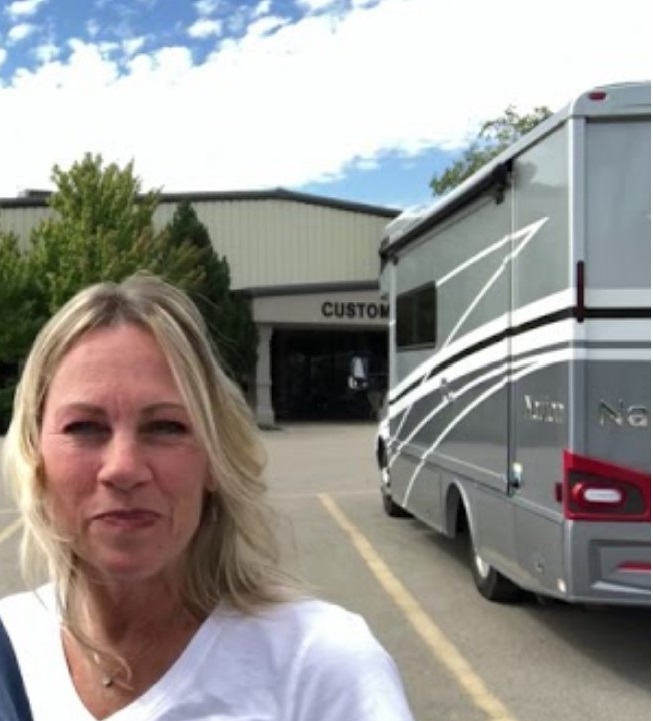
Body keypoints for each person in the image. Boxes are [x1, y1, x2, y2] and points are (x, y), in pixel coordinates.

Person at [0, 272, 416, 721]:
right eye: (84, 427)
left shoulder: (321, 669)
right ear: (34, 455)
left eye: (166, 427)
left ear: (214, 461)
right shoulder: (11, 646)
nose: (123, 467)